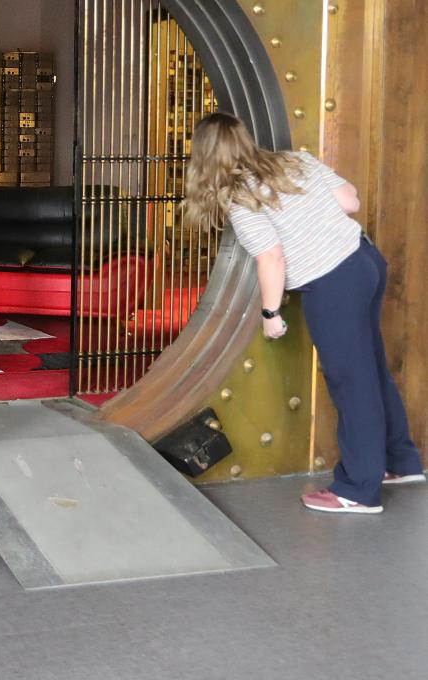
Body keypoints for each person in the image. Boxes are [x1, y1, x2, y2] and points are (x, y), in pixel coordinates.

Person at [182, 112, 424, 514]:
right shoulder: (296, 162)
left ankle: (358, 490)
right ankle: (400, 462)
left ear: (205, 156)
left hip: (332, 283)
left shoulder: (242, 199)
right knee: (372, 367)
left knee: (352, 383)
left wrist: (271, 313)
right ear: (244, 139)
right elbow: (350, 200)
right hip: (365, 262)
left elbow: (271, 258)